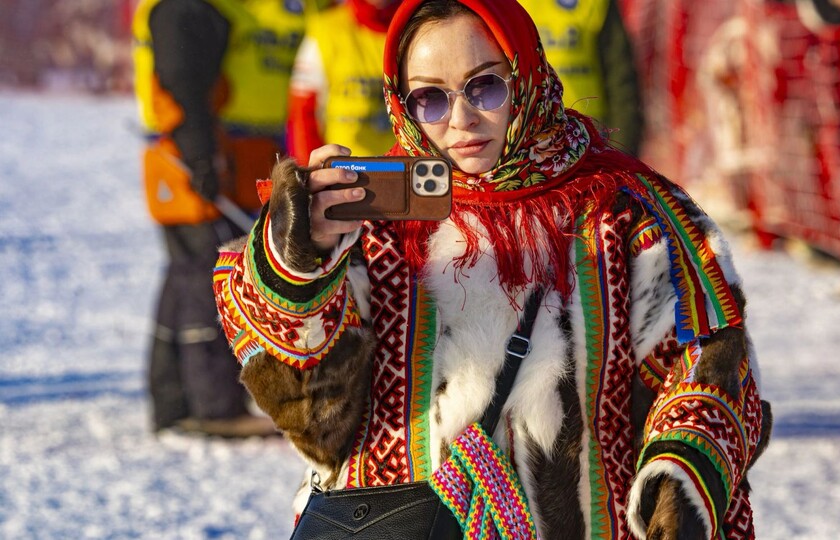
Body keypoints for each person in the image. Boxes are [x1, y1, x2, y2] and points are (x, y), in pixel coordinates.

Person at [212, 0, 771, 537]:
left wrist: (680, 477)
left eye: (484, 85)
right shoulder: (375, 224)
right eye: (430, 98)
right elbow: (312, 415)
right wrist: (297, 265)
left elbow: (707, 363)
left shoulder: (629, 213)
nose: (460, 119)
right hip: (401, 525)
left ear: (525, 75)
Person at [132, 0, 305, 437]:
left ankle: (173, 401)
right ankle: (213, 405)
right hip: (196, 154)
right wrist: (200, 155)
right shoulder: (186, 9)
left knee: (186, 273)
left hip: (207, 152)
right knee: (208, 276)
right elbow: (181, 81)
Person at [517, 0, 644, 155]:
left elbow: (621, 80)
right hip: (528, 139)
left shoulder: (594, 4)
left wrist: (623, 153)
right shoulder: (504, 6)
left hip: (591, 137)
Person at [286, 0, 403, 164]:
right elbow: (302, 113)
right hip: (342, 170)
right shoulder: (325, 29)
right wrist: (309, 174)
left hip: (402, 168)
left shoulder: (418, 24)